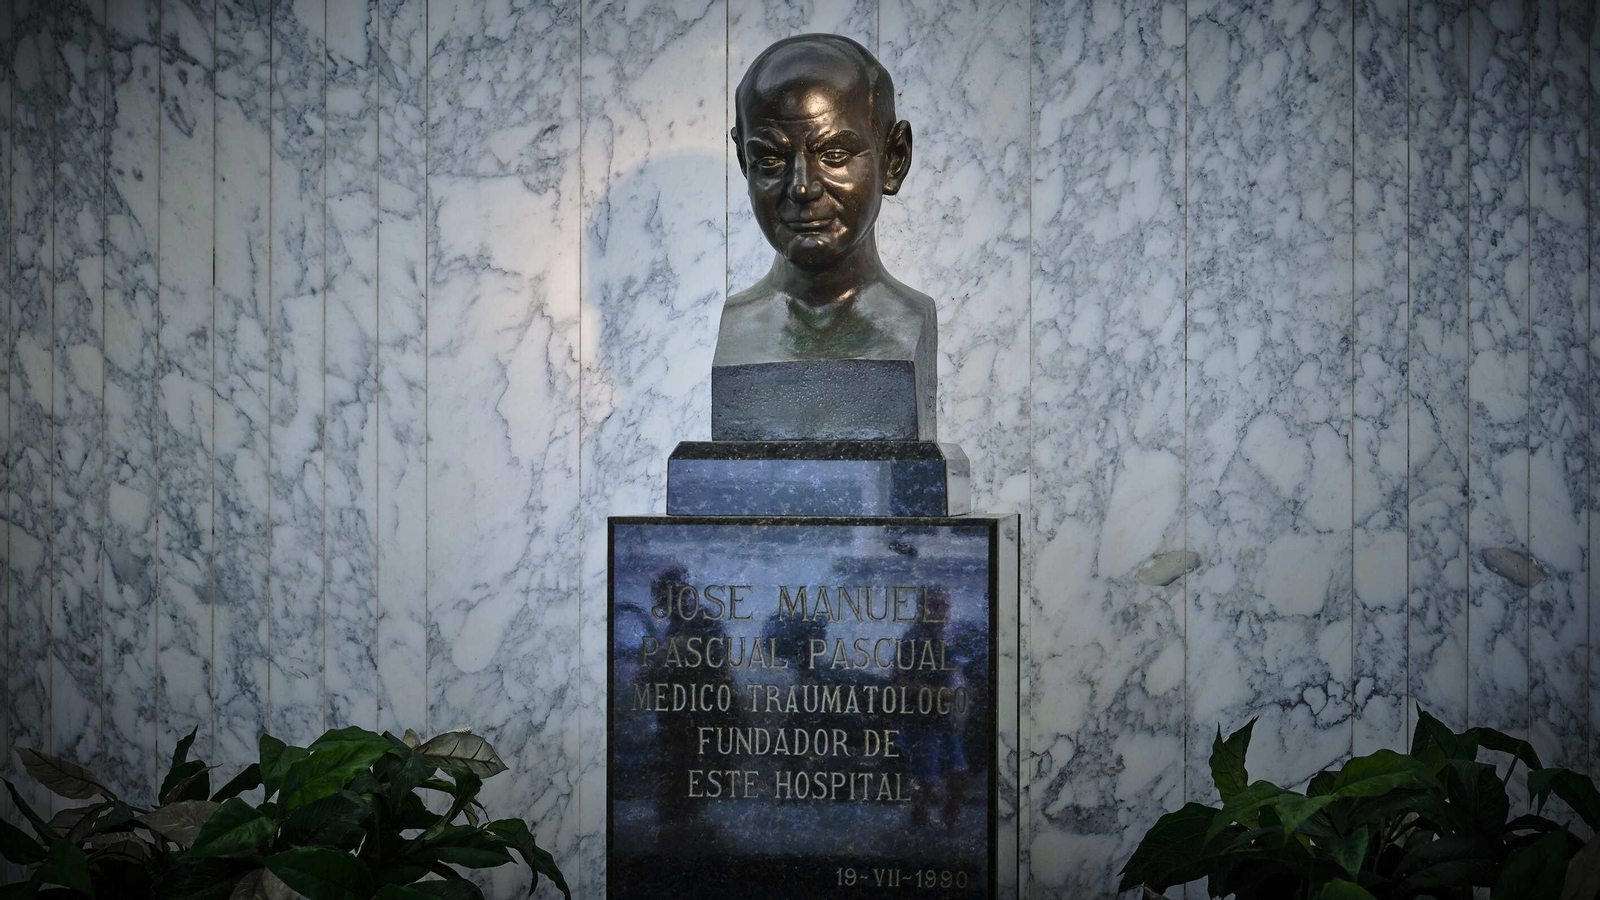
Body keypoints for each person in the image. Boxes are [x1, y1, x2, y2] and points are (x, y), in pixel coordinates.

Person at [713, 34, 937, 441]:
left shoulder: (908, 321)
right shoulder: (740, 327)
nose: (802, 188)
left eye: (834, 156)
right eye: (769, 159)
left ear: (895, 159)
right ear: (744, 163)